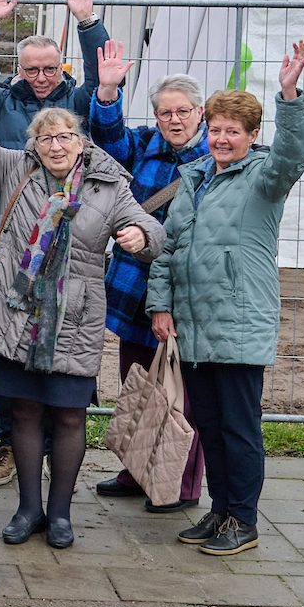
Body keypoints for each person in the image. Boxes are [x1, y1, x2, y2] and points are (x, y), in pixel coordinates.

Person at [0, 46, 161, 548]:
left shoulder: (109, 185)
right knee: (23, 411)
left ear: (81, 142)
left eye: (65, 136)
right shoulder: (15, 170)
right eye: (46, 138)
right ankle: (28, 509)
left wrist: (140, 239)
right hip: (18, 314)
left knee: (68, 415)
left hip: (75, 318)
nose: (56, 145)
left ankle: (61, 514)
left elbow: (150, 227)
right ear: (35, 145)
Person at [148, 43, 304, 559]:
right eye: (216, 128)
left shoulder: (264, 181)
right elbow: (169, 248)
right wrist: (160, 305)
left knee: (240, 429)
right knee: (210, 426)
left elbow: (293, 156)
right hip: (192, 326)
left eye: (233, 131)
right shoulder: (194, 179)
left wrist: (289, 97)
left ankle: (244, 518)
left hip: (238, 326)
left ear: (252, 136)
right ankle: (220, 511)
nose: (222, 138)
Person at [86, 42, 210, 512]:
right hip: (134, 287)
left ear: (199, 112)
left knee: (182, 396)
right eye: (164, 113)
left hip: (185, 294)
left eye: (182, 111)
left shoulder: (212, 159)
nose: (174, 120)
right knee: (139, 384)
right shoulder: (143, 145)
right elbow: (107, 138)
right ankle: (137, 471)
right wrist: (109, 90)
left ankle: (180, 484)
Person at [0, 0, 110, 149]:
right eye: (32, 70)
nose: (41, 78)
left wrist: (86, 19)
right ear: (19, 70)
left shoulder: (77, 102)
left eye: (49, 69)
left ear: (60, 68)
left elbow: (103, 75)